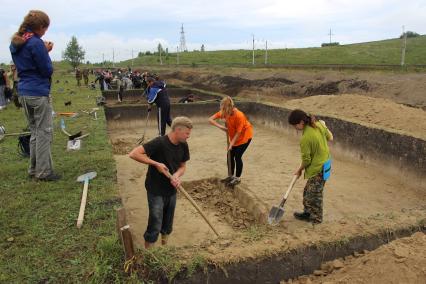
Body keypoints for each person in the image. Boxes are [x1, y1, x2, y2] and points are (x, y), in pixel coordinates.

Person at [10, 10, 60, 181]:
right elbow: (46, 69)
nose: (45, 32)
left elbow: (26, 63)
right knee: (44, 132)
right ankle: (44, 171)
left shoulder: (17, 43)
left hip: (24, 92)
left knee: (35, 132)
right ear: (39, 27)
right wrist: (45, 51)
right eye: (45, 28)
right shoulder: (36, 43)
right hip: (38, 92)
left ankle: (33, 168)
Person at [129, 116, 192, 248]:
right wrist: (156, 163)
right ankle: (149, 253)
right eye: (187, 133)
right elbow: (134, 154)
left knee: (167, 224)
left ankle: (164, 249)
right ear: (178, 130)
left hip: (172, 190)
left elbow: (183, 166)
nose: (188, 136)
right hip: (156, 190)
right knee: (155, 223)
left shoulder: (183, 145)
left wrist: (176, 175)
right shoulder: (159, 143)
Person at [288, 109, 333, 224]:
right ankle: (307, 213)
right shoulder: (318, 125)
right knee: (307, 192)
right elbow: (330, 138)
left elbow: (306, 160)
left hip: (319, 169)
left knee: (315, 196)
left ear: (300, 123)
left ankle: (316, 219)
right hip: (325, 163)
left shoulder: (305, 139)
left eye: (295, 126)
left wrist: (299, 170)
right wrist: (324, 126)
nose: (295, 128)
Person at [209, 96, 253, 186]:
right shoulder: (225, 112)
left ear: (230, 107)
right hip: (234, 137)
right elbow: (210, 119)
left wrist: (231, 144)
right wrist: (221, 127)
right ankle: (231, 176)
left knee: (237, 156)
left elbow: (238, 133)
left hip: (245, 137)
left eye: (225, 110)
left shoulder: (239, 116)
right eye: (222, 110)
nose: (223, 113)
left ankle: (237, 178)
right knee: (229, 155)